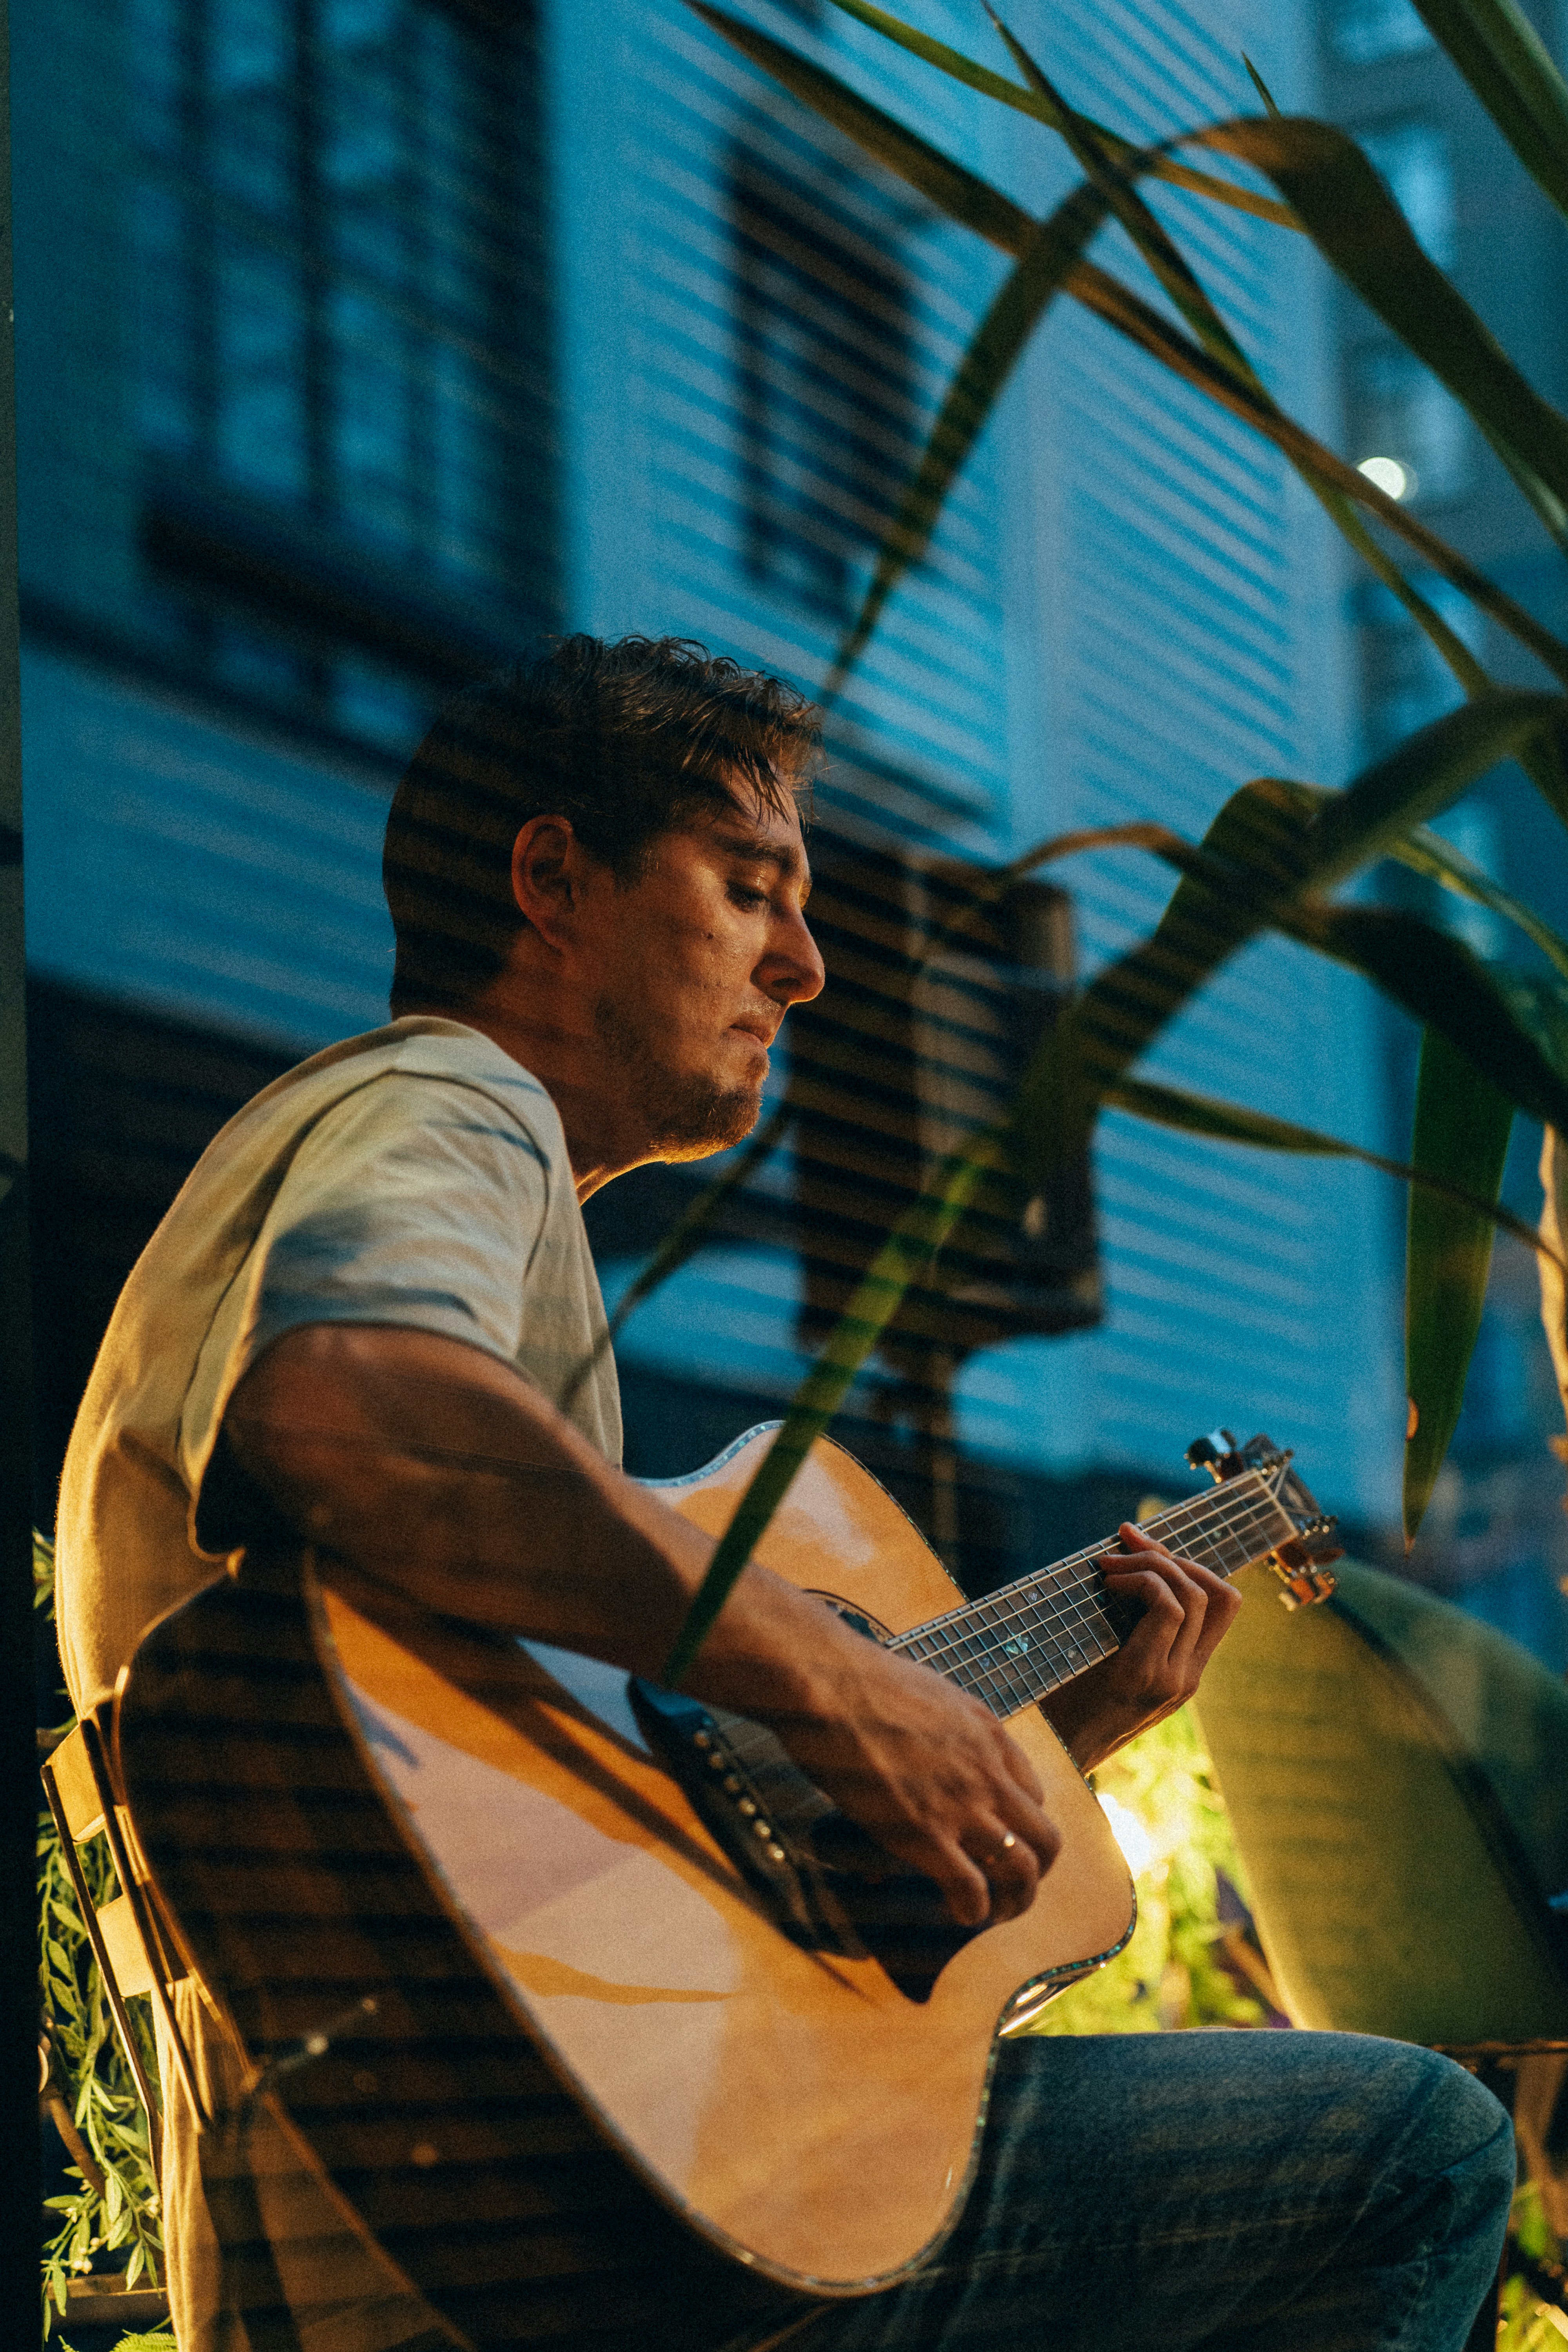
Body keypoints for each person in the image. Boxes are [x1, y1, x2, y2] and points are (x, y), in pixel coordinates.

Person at [56, 635, 1512, 2352]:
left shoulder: (502, 1262)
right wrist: (833, 1678)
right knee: (1408, 2152)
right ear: (551, 879)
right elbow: (345, 1396)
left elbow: (630, 1870)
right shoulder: (446, 1100)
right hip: (522, 2233)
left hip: (495, 2225)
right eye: (751, 889)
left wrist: (1039, 1735)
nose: (806, 967)